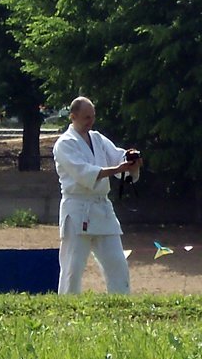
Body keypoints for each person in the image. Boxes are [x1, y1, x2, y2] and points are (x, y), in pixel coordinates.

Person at [52, 96, 141, 294]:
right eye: (86, 117)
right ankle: (67, 308)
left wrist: (130, 160)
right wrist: (116, 168)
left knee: (117, 263)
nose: (90, 121)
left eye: (92, 117)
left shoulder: (98, 138)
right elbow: (84, 173)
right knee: (72, 268)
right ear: (73, 117)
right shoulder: (64, 144)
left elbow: (118, 156)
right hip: (77, 209)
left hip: (102, 209)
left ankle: (121, 305)